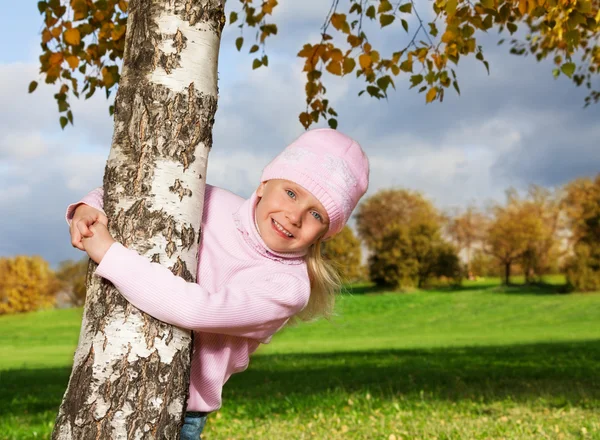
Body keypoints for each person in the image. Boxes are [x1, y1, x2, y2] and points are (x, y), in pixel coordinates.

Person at [67, 128, 369, 439]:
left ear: (325, 233)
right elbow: (135, 194)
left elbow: (195, 309)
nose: (295, 216)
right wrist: (88, 209)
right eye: (291, 193)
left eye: (316, 214)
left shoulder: (288, 287)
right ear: (265, 184)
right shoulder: (208, 200)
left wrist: (108, 254)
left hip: (176, 412)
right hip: (104, 385)